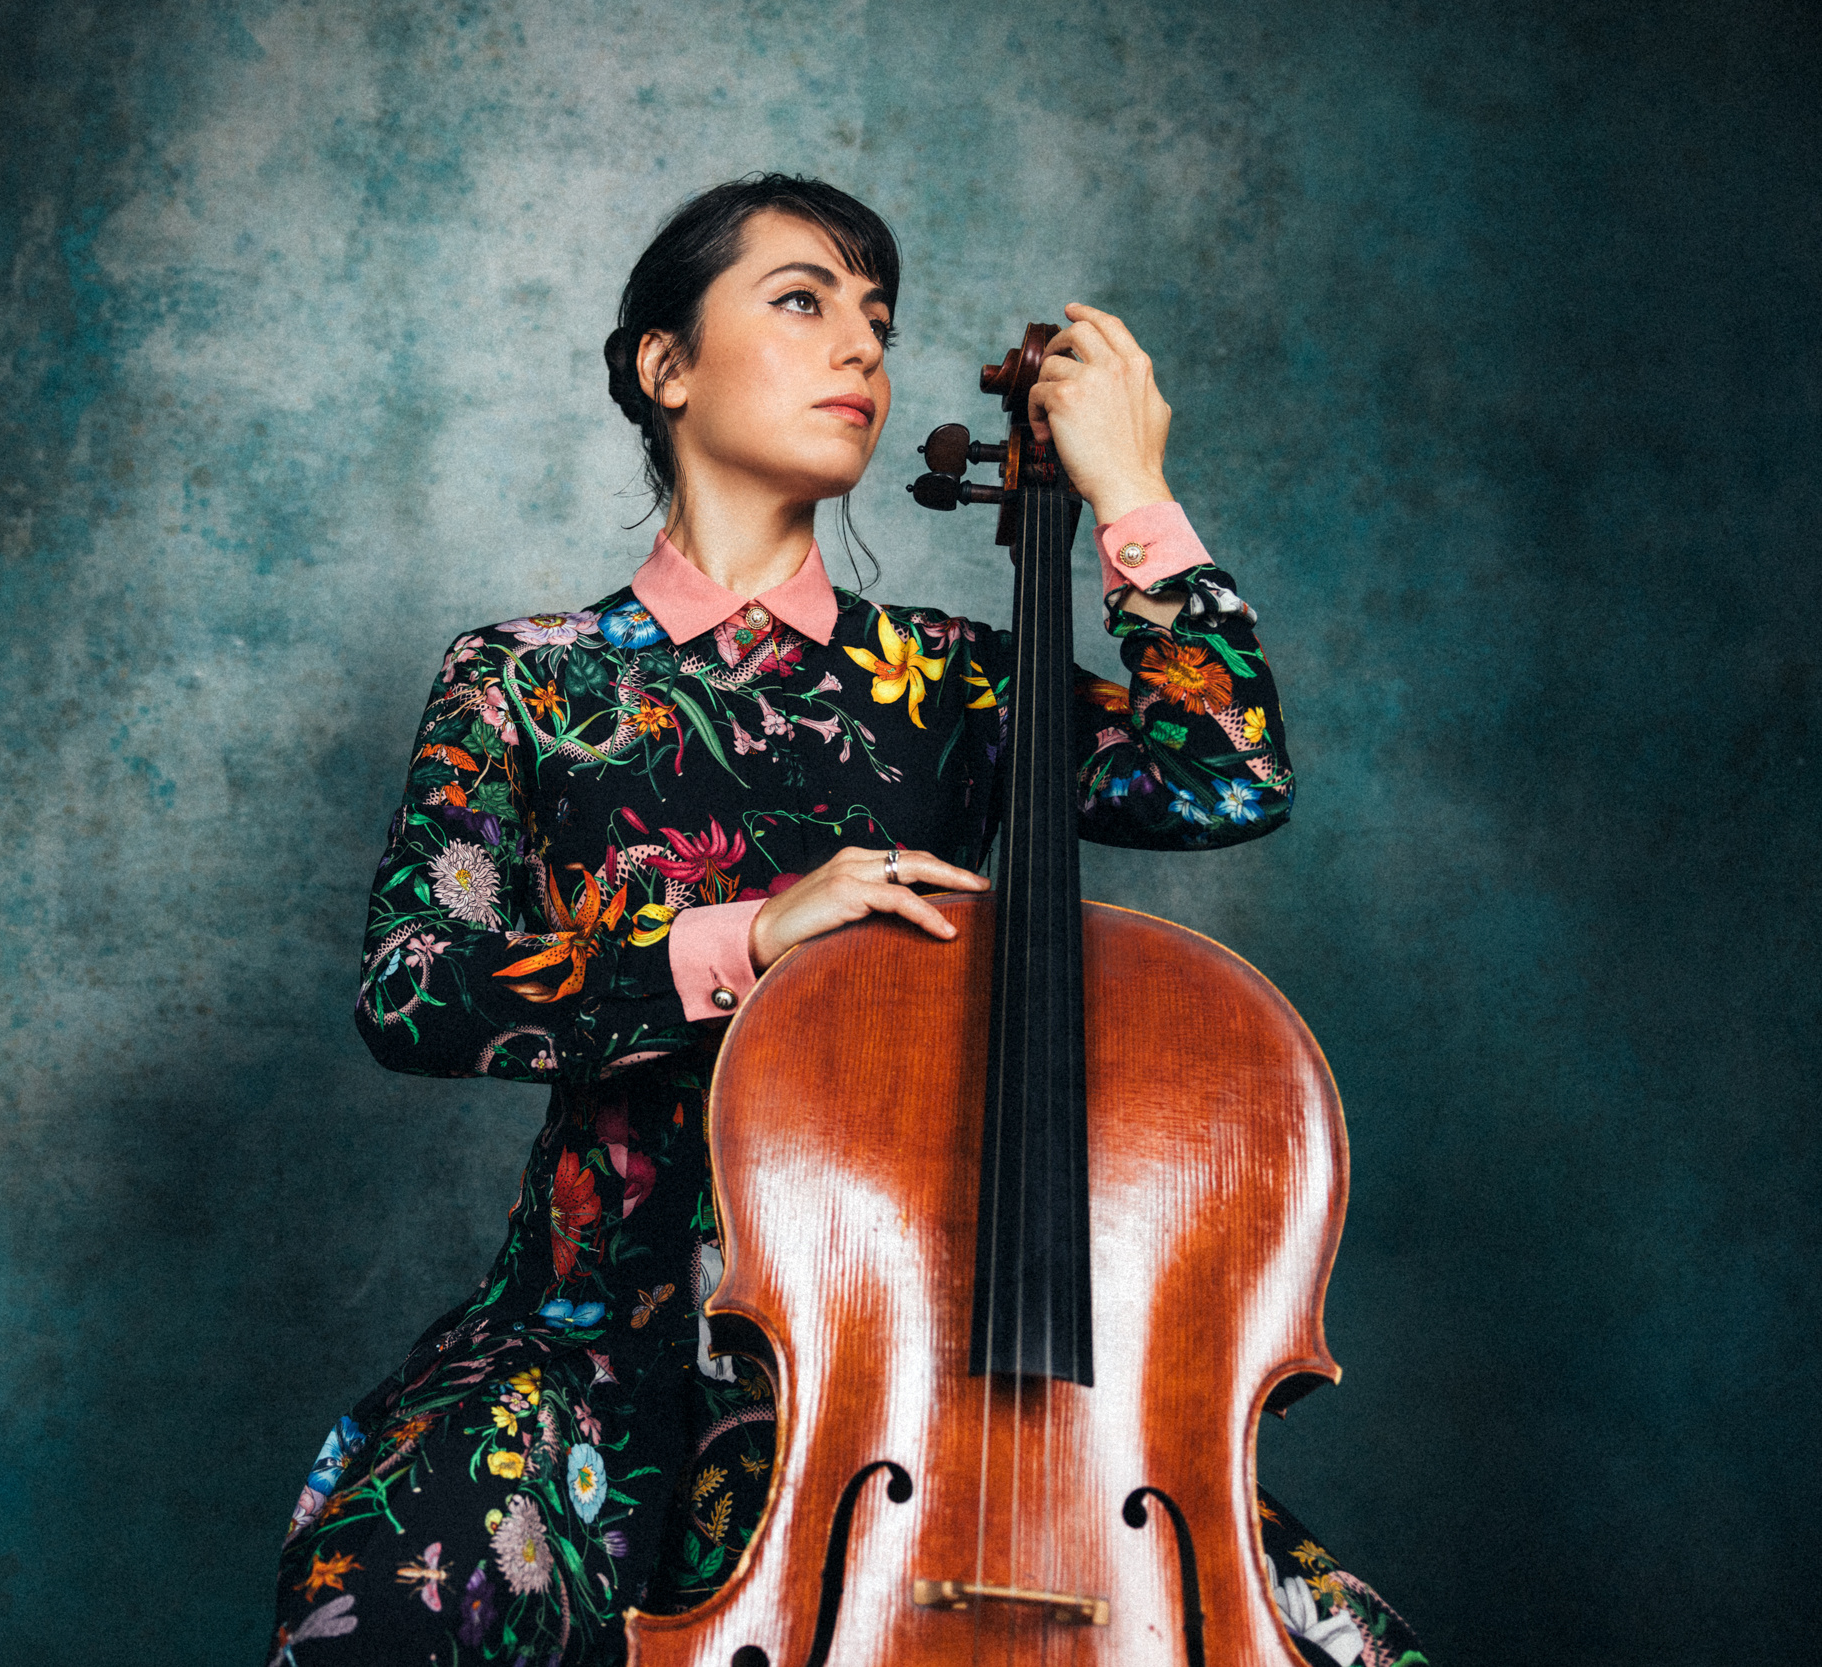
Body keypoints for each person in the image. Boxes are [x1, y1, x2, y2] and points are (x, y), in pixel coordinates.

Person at [268, 175, 1427, 1667]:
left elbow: (1223, 775)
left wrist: (1133, 495)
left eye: (878, 323)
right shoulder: (528, 680)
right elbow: (418, 988)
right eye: (804, 301)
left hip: (913, 1362)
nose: (863, 353)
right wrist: (748, 938)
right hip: (596, 1334)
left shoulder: (946, 680)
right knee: (382, 1596)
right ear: (664, 366)